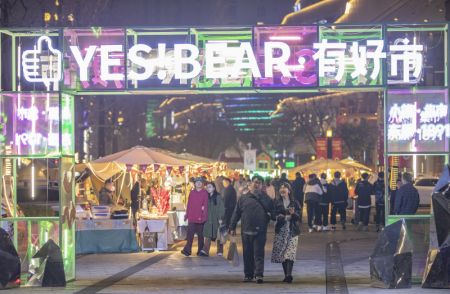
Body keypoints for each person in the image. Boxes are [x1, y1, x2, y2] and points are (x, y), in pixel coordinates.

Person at [229, 175, 275, 284]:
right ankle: (248, 275)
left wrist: (271, 217)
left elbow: (273, 212)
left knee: (258, 253)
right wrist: (232, 226)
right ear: (250, 184)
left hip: (260, 230)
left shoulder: (266, 198)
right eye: (254, 182)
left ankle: (259, 275)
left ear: (262, 185)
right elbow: (236, 213)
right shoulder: (243, 198)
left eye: (258, 182)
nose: (256, 184)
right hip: (246, 230)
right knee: (247, 254)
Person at [271, 182, 301, 283]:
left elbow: (298, 217)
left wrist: (293, 214)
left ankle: (289, 274)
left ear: (289, 190)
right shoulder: (276, 202)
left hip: (292, 230)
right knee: (282, 253)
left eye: (284, 188)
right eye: (281, 188)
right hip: (281, 230)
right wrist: (280, 217)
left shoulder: (295, 202)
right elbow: (273, 214)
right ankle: (286, 275)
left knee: (290, 253)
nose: (282, 189)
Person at [181, 177, 209, 257]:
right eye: (197, 182)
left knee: (200, 235)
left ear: (202, 183)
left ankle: (200, 250)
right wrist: (187, 215)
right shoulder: (192, 193)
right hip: (192, 216)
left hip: (200, 217)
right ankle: (187, 250)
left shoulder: (205, 193)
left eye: (200, 182)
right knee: (190, 234)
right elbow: (189, 204)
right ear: (195, 184)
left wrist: (204, 216)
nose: (199, 183)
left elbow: (206, 205)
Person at [203, 182, 225, 257]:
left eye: (210, 187)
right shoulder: (206, 196)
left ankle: (220, 250)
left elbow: (221, 208)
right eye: (207, 187)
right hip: (208, 219)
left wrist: (220, 217)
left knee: (218, 234)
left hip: (216, 219)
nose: (208, 188)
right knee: (208, 234)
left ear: (214, 188)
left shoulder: (218, 197)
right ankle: (206, 250)